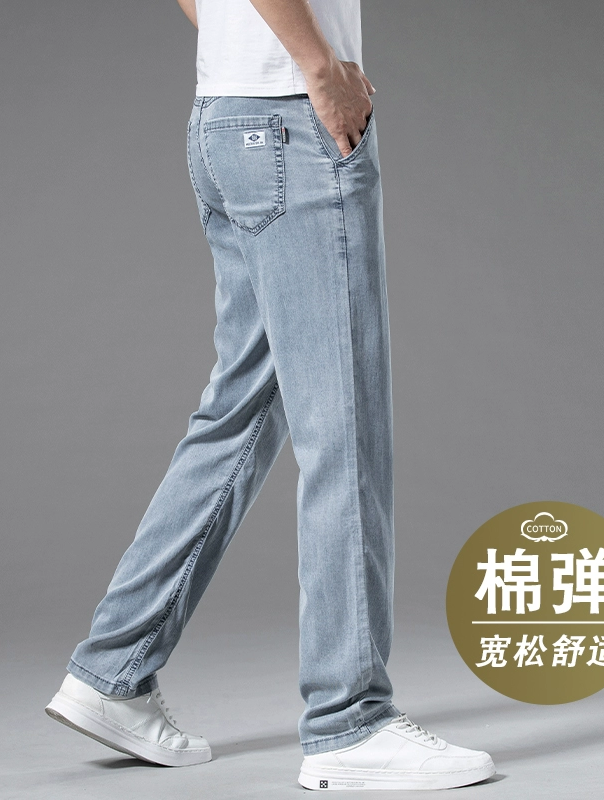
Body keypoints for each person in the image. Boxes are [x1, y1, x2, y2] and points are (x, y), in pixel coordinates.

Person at [45, 0, 495, 791]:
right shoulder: (304, 84)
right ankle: (349, 722)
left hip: (227, 117)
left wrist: (243, 44)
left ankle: (114, 668)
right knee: (344, 423)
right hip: (290, 118)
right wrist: (318, 67)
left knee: (245, 409)